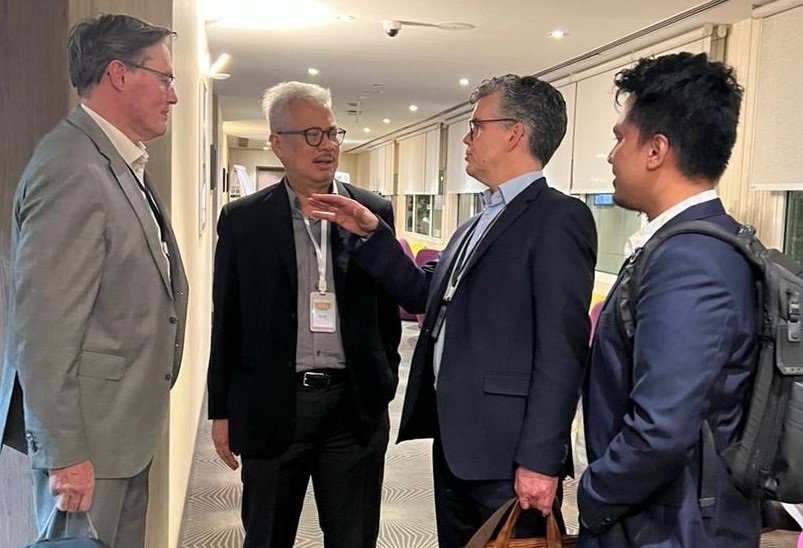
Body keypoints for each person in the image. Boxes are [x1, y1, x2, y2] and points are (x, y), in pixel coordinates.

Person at [310, 74, 597, 547]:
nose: (466, 138)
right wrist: (372, 235)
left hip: (509, 454)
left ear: (514, 133)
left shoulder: (558, 218)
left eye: (476, 126)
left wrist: (540, 461)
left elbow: (562, 350)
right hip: (457, 440)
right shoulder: (475, 223)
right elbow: (425, 296)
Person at [0, 14, 187, 548]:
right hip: (87, 445)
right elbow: (43, 328)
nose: (172, 95)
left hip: (120, 431)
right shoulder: (71, 167)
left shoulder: (117, 162)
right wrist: (64, 455)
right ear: (119, 74)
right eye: (165, 78)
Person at [206, 81, 401, 548]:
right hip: (274, 404)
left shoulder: (371, 211)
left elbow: (386, 314)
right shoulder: (244, 220)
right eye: (312, 134)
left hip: (353, 408)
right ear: (278, 143)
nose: (327, 145)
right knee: (267, 536)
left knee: (354, 538)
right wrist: (221, 410)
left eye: (332, 133)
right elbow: (227, 319)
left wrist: (384, 379)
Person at [577, 52, 761, 546]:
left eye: (620, 138)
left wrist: (594, 495)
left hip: (667, 528)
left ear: (656, 150)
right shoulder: (687, 244)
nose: (611, 156)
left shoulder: (690, 260)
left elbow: (660, 430)